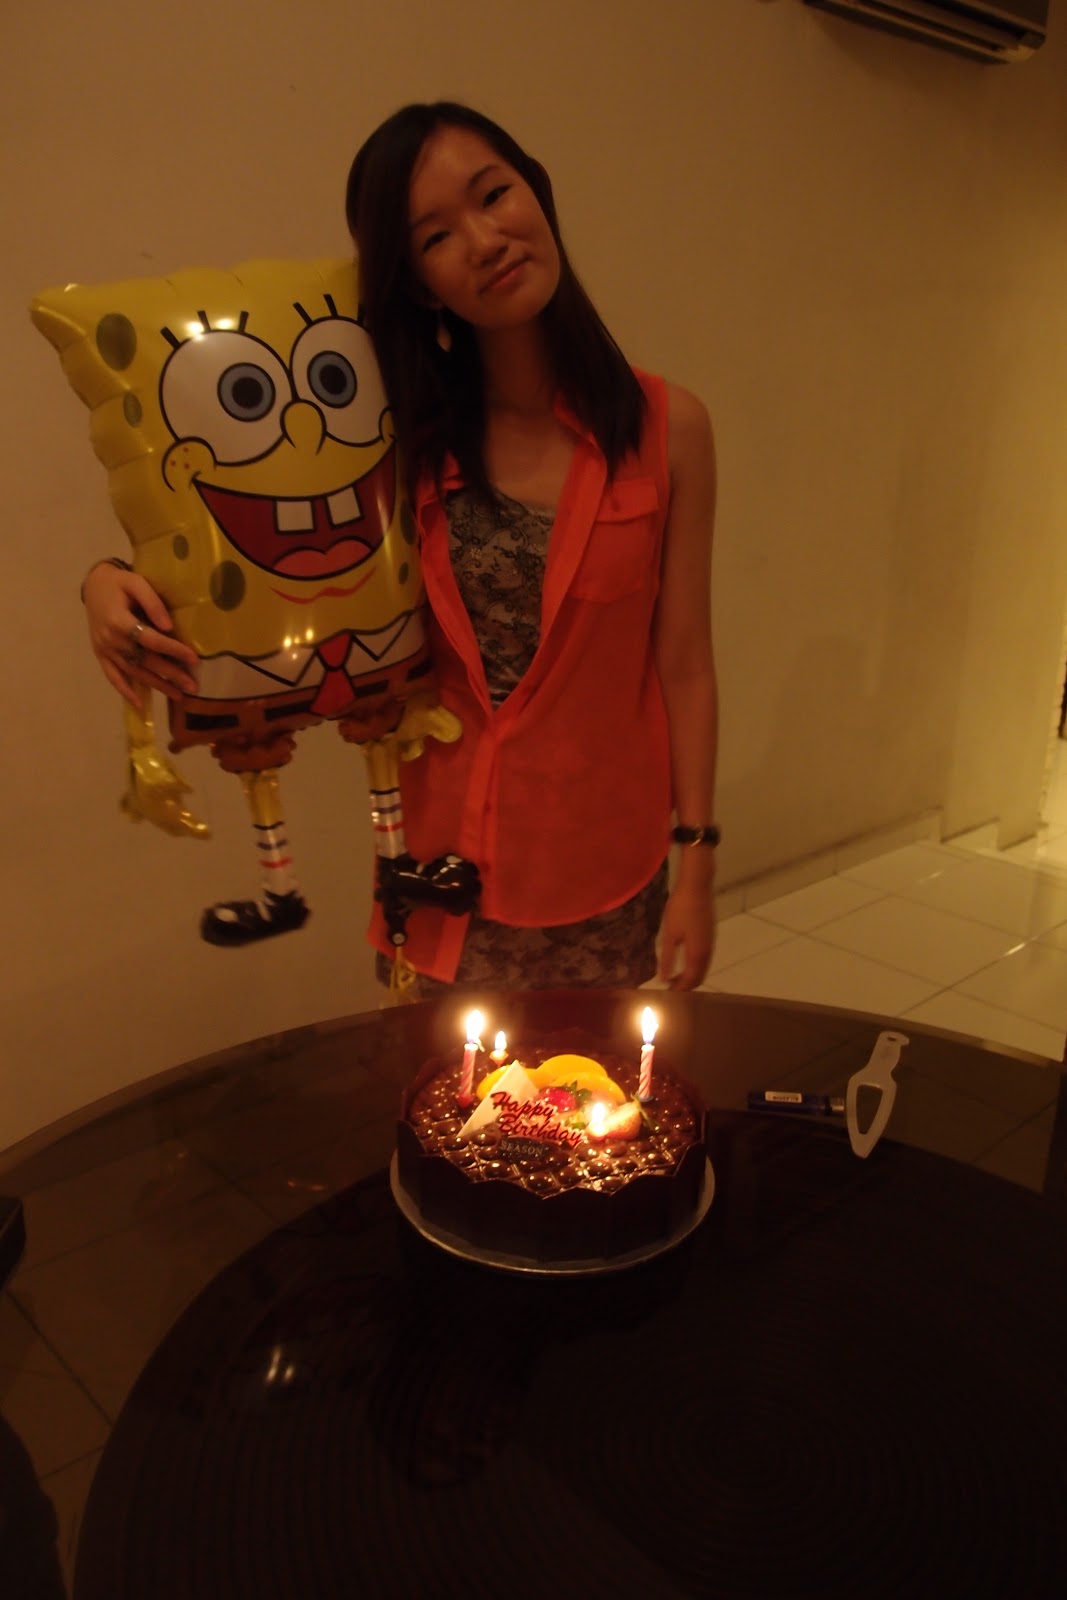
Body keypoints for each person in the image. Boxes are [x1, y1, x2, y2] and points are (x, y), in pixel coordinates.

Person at [80, 101, 719, 997]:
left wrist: (697, 867)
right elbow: (254, 535)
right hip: (442, 869)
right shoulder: (395, 436)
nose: (485, 240)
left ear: (535, 192)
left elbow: (683, 664)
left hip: (602, 866)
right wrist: (104, 581)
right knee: (438, 1086)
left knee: (591, 1083)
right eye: (436, 237)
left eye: (493, 195)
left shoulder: (667, 428)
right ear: (418, 283)